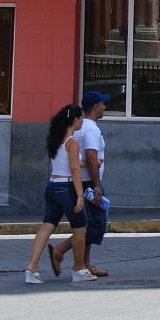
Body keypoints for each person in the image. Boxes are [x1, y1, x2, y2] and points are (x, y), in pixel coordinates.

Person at [24, 104, 97, 283]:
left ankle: (31, 268)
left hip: (52, 186)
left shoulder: (56, 139)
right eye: (80, 118)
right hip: (67, 188)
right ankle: (79, 268)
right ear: (75, 120)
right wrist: (80, 195)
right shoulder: (72, 141)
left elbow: (66, 163)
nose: (81, 121)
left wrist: (85, 163)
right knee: (80, 228)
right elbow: (73, 168)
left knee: (46, 227)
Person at [50, 90, 110, 278]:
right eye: (102, 104)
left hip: (79, 181)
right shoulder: (91, 128)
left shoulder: (80, 126)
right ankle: (62, 251)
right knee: (96, 224)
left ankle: (85, 263)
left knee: (88, 222)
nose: (104, 107)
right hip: (89, 182)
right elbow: (92, 158)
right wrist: (97, 184)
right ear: (95, 107)